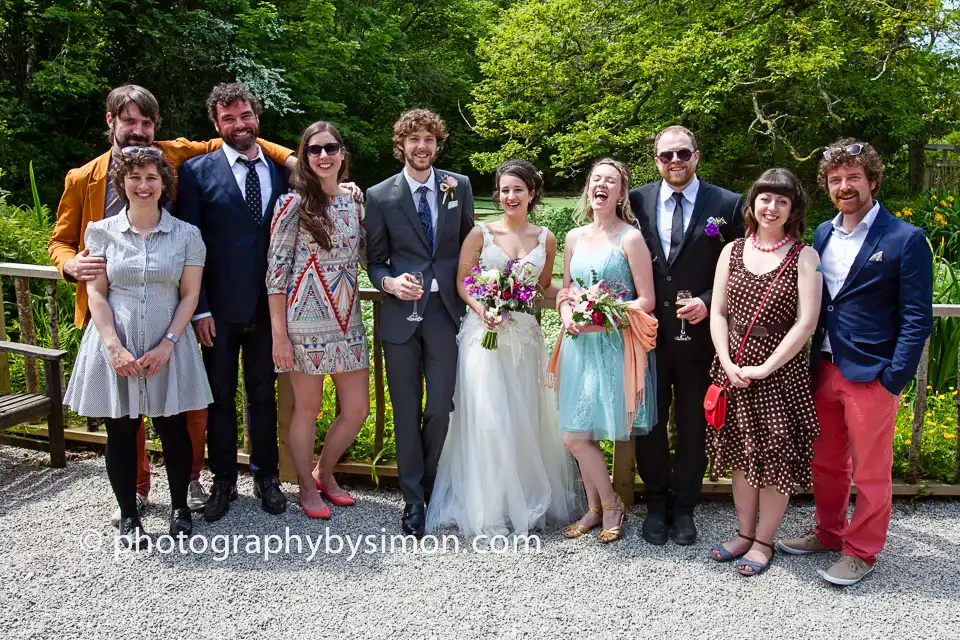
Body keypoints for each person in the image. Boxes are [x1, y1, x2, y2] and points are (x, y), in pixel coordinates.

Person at [47, 84, 295, 523]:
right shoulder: (82, 178)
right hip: (114, 314)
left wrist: (293, 159)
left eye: (146, 123)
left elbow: (236, 137)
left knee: (182, 412)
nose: (139, 131)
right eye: (130, 122)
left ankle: (196, 484)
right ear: (111, 123)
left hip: (173, 314)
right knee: (124, 418)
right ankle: (138, 492)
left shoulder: (174, 157)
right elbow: (61, 242)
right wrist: (73, 267)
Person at [778, 140, 933, 586]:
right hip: (823, 367)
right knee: (826, 463)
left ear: (873, 181)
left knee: (869, 470)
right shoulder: (824, 233)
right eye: (835, 180)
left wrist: (894, 378)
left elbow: (917, 317)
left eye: (853, 178)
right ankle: (829, 532)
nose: (844, 186)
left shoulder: (905, 239)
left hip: (872, 376)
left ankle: (862, 550)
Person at [63, 148, 212, 548]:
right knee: (121, 430)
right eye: (135, 178)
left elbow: (190, 295)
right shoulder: (100, 232)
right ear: (122, 183)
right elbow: (96, 294)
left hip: (168, 344)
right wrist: (112, 346)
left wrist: (168, 344)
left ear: (164, 184)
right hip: (117, 342)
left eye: (151, 177)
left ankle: (180, 506)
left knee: (173, 428)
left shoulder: (186, 235)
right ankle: (129, 514)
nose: (143, 185)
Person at [425, 160, 582, 538]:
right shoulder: (481, 233)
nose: (511, 196)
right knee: (489, 419)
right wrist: (484, 308)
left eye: (518, 189)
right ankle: (489, 505)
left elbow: (543, 286)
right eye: (505, 190)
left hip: (525, 340)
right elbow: (464, 281)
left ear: (532, 194)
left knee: (523, 418)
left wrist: (569, 297)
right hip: (484, 339)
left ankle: (523, 498)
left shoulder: (546, 237)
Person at [175, 82, 291, 521]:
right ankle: (224, 480)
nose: (239, 125)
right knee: (219, 397)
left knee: (263, 394)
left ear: (256, 117)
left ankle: (267, 476)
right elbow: (190, 245)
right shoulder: (196, 172)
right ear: (216, 124)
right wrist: (199, 307)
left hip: (270, 309)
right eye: (229, 118)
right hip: (216, 312)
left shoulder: (283, 171)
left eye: (246, 116)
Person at [628, 125, 745, 546]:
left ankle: (685, 506)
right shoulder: (636, 200)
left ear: (696, 155)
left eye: (682, 153)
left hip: (699, 337)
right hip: (647, 335)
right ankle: (656, 502)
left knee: (693, 425)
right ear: (655, 160)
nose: (674, 161)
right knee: (650, 421)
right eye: (665, 156)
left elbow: (742, 265)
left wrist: (709, 300)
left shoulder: (727, 204)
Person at [365, 108, 475, 537]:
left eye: (429, 139)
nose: (422, 146)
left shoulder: (457, 186)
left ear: (437, 144)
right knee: (406, 408)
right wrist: (389, 282)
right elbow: (374, 260)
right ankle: (413, 500)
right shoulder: (381, 195)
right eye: (414, 140)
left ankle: (434, 484)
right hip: (400, 317)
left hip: (446, 314)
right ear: (401, 145)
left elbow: (470, 245)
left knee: (439, 407)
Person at [706, 168, 822, 576]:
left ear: (793, 209)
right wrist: (726, 360)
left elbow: (806, 323)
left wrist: (765, 367)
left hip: (779, 374)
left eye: (782, 201)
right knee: (741, 454)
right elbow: (718, 312)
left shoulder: (804, 256)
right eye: (765, 199)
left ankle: (763, 541)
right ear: (753, 204)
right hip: (733, 367)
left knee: (775, 458)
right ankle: (742, 532)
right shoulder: (732, 251)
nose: (772, 207)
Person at [266, 121, 369, 519]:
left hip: (348, 321)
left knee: (356, 408)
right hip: (304, 323)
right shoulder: (291, 205)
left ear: (342, 153)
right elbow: (275, 275)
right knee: (306, 409)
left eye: (331, 148)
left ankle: (324, 471)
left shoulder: (354, 202)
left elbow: (364, 256)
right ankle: (306, 489)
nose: (323, 156)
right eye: (314, 149)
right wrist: (280, 336)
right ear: (304, 156)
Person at [553, 158, 658, 544]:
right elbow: (566, 289)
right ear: (588, 188)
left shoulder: (630, 238)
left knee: (575, 436)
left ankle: (610, 504)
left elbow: (645, 300)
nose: (602, 185)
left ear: (620, 192)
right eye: (596, 179)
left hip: (612, 345)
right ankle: (595, 508)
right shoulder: (573, 237)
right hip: (578, 345)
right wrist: (568, 314)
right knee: (579, 433)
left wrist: (603, 315)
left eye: (610, 181)